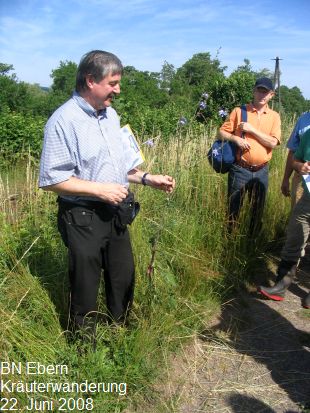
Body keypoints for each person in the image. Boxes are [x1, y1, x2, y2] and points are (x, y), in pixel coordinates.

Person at [39, 50, 175, 340]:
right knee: (85, 284)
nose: (118, 89)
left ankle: (120, 335)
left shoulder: (111, 116)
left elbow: (119, 169)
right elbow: (52, 179)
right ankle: (84, 347)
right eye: (113, 82)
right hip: (82, 216)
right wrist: (99, 190)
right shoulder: (63, 121)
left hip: (115, 212)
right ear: (90, 80)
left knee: (122, 276)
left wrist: (150, 179)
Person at [218, 77, 281, 235]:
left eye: (265, 92)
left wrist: (251, 130)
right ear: (254, 91)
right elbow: (220, 132)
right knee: (233, 210)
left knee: (257, 211)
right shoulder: (239, 111)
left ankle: (251, 243)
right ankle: (229, 243)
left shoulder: (274, 117)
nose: (262, 95)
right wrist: (235, 138)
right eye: (259, 90)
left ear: (271, 95)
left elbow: (273, 143)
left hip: (262, 171)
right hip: (239, 169)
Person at [258, 129, 310, 309]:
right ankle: (280, 287)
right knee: (293, 240)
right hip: (307, 200)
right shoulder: (308, 134)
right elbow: (296, 160)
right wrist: (300, 167)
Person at [281, 111, 310, 209]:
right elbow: (292, 151)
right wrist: (286, 179)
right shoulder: (303, 119)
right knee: (298, 218)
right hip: (302, 179)